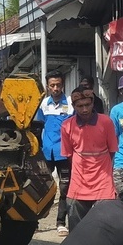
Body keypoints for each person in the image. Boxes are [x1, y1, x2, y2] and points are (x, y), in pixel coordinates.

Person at [59, 87, 118, 227]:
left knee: (105, 226)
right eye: (80, 106)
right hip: (78, 183)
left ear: (93, 103)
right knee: (76, 225)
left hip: (103, 182)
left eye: (87, 105)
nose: (84, 109)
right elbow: (69, 155)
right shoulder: (67, 126)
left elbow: (112, 151)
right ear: (73, 106)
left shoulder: (106, 122)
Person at [35, 70, 73, 235]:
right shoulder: (43, 104)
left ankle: (60, 223)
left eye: (58, 85)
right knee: (41, 187)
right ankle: (34, 221)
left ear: (62, 84)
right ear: (48, 86)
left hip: (64, 153)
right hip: (47, 153)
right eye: (52, 85)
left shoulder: (71, 103)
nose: (55, 88)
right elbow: (38, 127)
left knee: (65, 188)